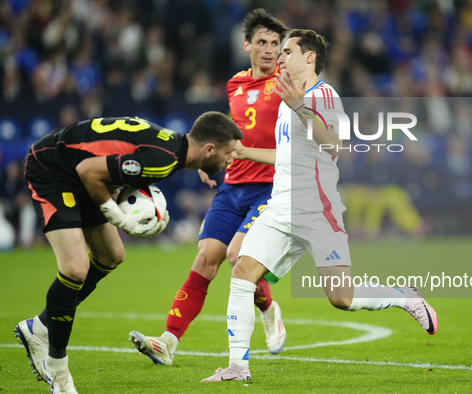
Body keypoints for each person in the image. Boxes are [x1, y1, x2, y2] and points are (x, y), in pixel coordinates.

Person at [201, 29, 438, 383]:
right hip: (280, 208)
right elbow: (288, 154)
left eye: (288, 52)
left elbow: (335, 146)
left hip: (318, 211)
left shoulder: (324, 96)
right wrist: (245, 151)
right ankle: (238, 366)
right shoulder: (286, 97)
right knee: (241, 273)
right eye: (279, 53)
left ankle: (404, 297)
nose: (280, 58)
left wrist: (300, 109)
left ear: (309, 58)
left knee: (341, 298)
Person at [14, 113, 243, 394]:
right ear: (208, 149)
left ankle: (39, 327)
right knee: (75, 268)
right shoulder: (164, 161)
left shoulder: (172, 148)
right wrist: (116, 216)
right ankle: (57, 365)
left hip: (77, 171)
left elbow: (108, 161)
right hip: (52, 169)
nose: (232, 159)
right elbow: (89, 170)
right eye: (228, 152)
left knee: (112, 255)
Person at [128, 9, 290, 365]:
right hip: (233, 186)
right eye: (262, 42)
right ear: (247, 44)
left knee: (236, 255)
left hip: (270, 188)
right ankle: (168, 342)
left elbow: (294, 148)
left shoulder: (289, 84)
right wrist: (209, 160)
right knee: (204, 260)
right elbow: (230, 132)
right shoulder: (235, 84)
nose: (269, 50)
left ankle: (268, 307)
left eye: (275, 44)